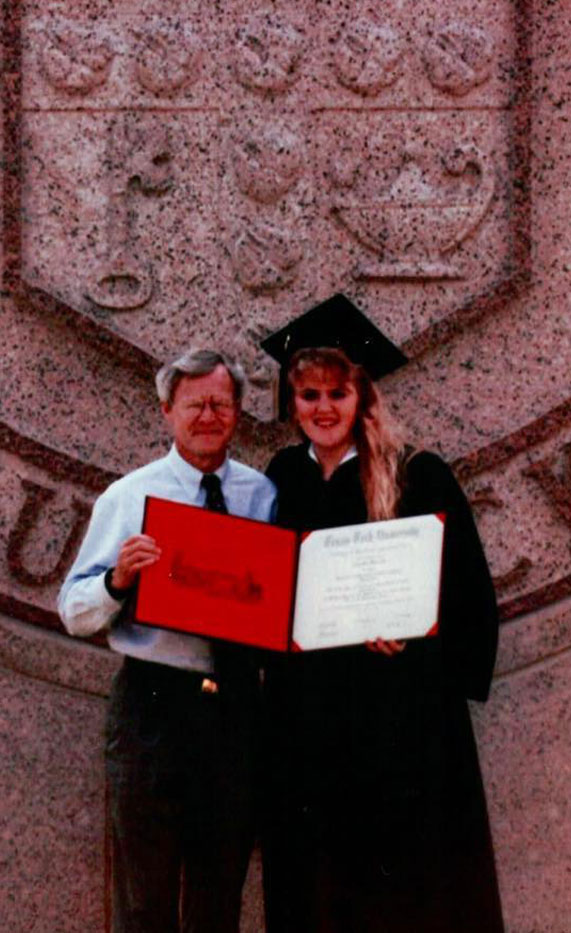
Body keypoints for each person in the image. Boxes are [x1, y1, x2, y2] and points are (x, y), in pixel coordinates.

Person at [258, 299, 504, 933]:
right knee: (317, 881)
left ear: (361, 395)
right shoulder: (282, 477)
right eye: (308, 394)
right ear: (292, 402)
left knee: (402, 885)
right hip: (310, 714)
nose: (322, 407)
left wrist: (414, 644)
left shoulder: (416, 474)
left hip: (398, 713)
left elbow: (467, 594)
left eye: (336, 392)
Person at [58, 349, 277, 933]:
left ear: (236, 413)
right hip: (153, 706)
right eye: (194, 405)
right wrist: (118, 579)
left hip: (234, 708)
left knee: (220, 889)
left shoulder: (263, 496)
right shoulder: (129, 498)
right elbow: (73, 611)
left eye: (220, 404)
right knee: (143, 896)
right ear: (166, 412)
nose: (208, 416)